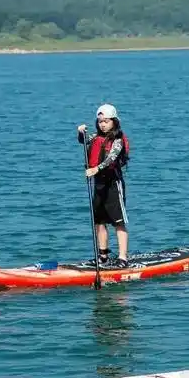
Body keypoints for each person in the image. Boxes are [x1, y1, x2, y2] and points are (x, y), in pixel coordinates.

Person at [77, 104, 131, 268]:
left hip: (113, 184)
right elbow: (83, 140)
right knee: (99, 222)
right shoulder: (95, 138)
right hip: (99, 184)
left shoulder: (118, 140)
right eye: (100, 121)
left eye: (106, 121)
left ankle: (122, 257)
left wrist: (96, 168)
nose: (102, 124)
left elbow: (111, 158)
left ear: (114, 122)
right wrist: (80, 132)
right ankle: (103, 256)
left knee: (118, 222)